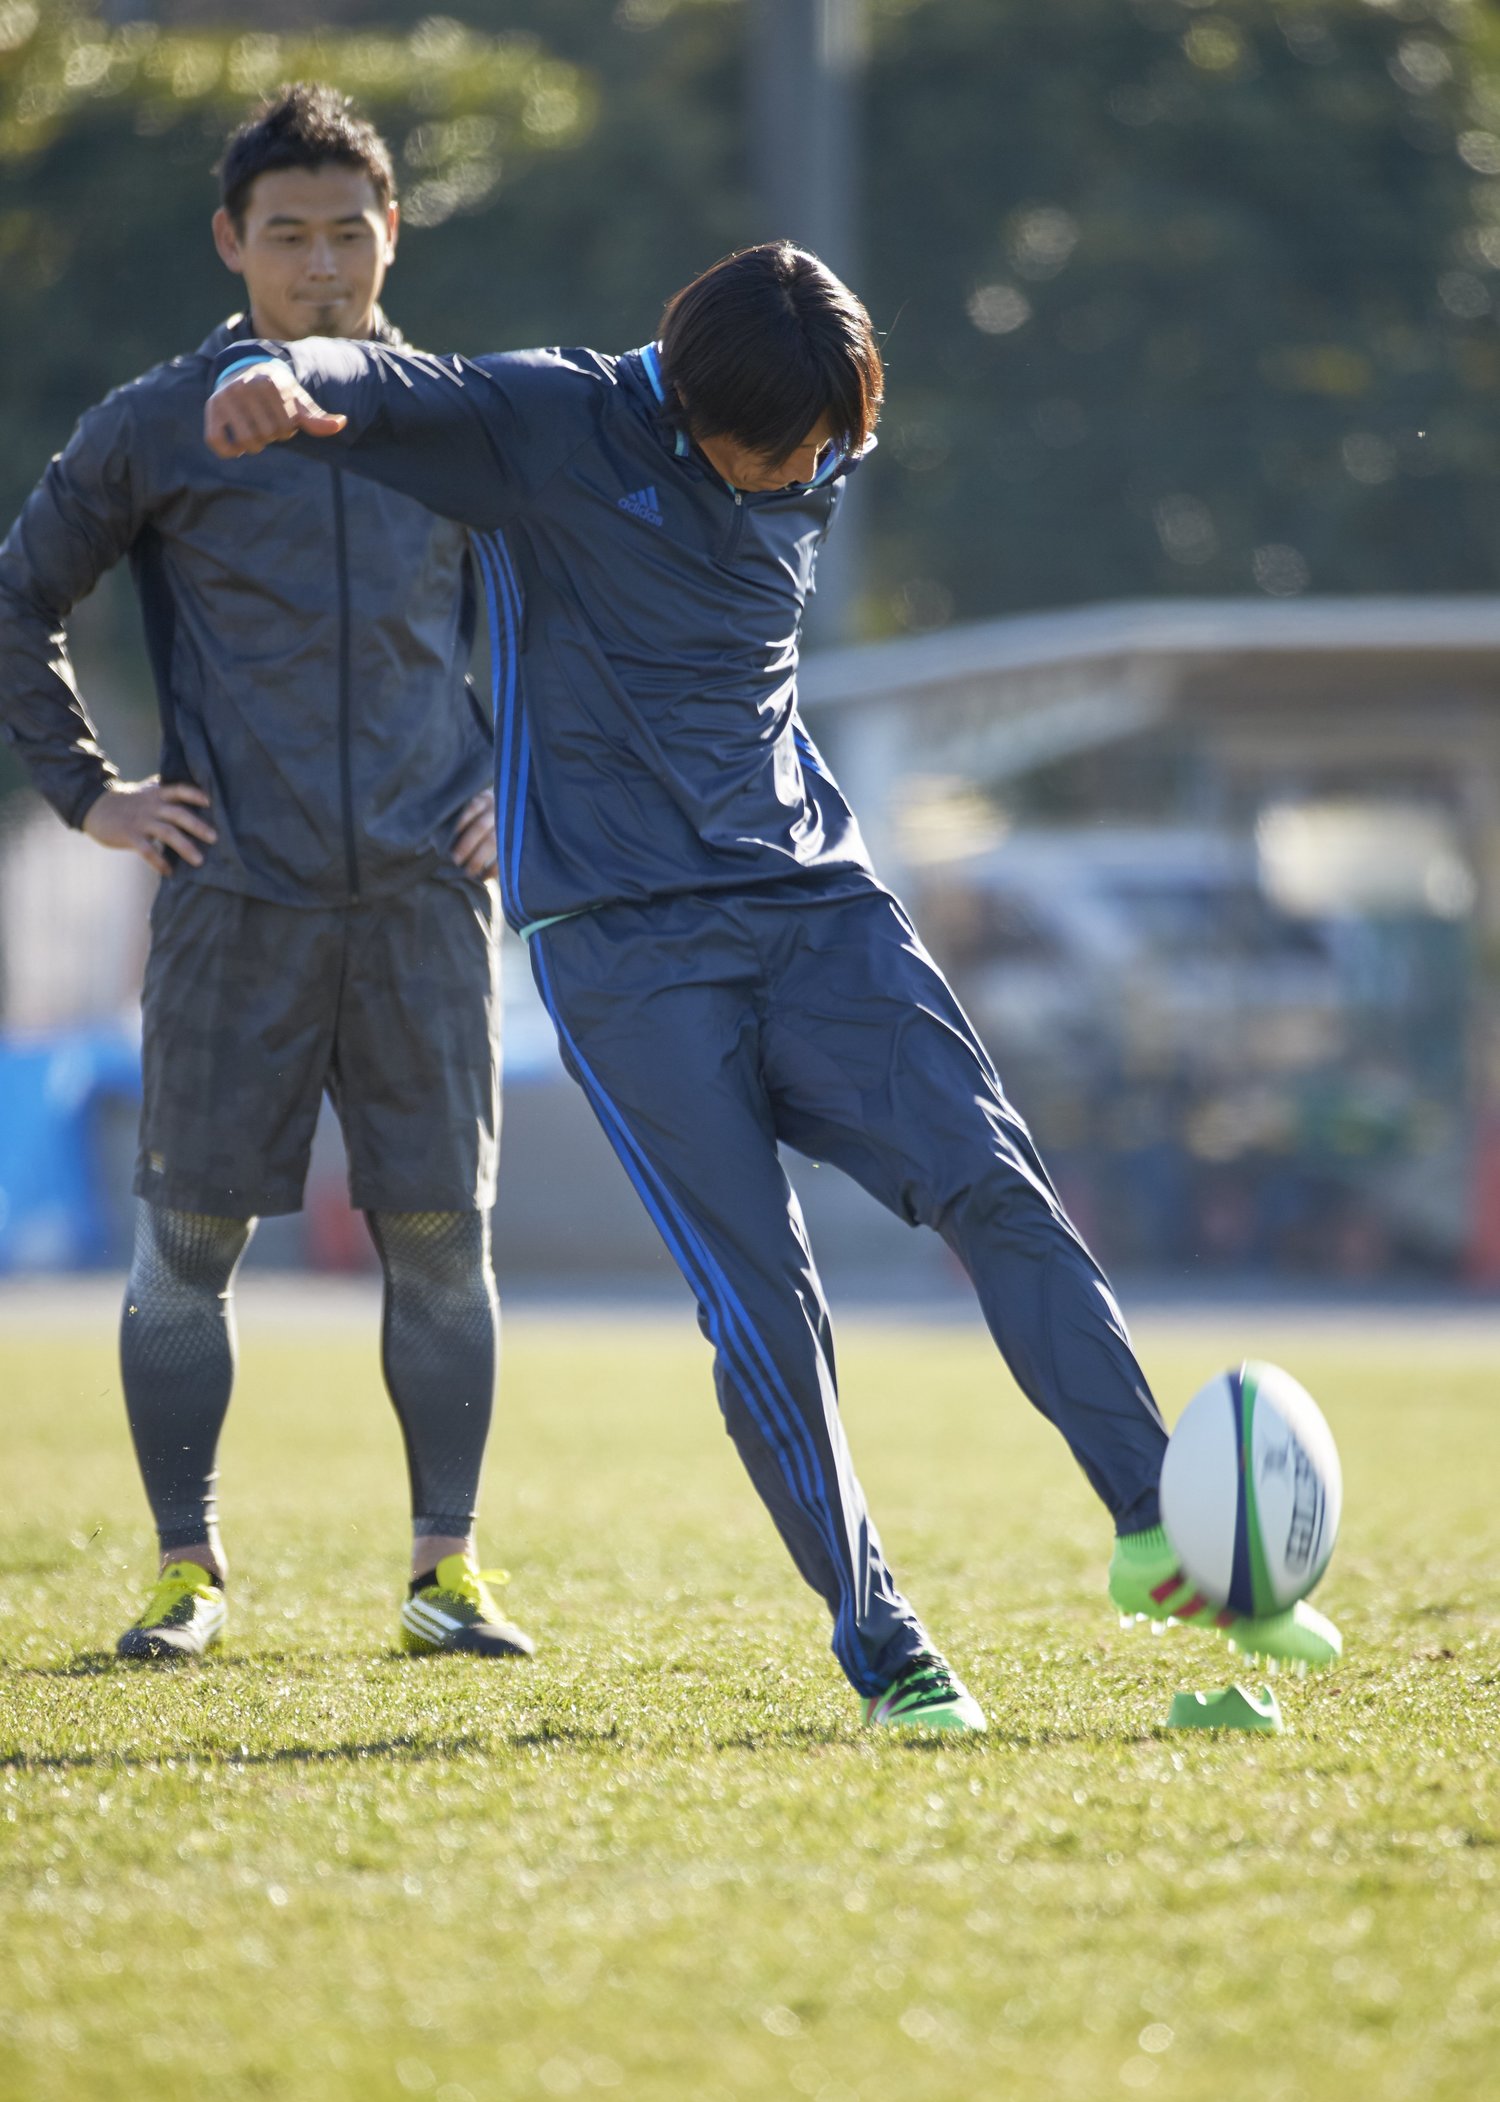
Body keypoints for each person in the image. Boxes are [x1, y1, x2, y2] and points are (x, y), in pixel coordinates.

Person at [200, 241, 1342, 1729]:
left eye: (833, 441)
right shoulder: (555, 426)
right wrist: (266, 371)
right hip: (624, 945)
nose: (811, 466)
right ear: (686, 402)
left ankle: (1159, 1527)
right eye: (781, 446)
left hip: (818, 908)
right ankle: (886, 1645)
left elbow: (805, 438)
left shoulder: (821, 444)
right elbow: (384, 381)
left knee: (995, 1185)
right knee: (765, 1299)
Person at [0, 85, 531, 1664]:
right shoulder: (158, 424)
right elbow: (17, 595)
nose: (320, 264)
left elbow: (583, 617)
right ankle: (185, 1569)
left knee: (443, 1238)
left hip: (429, 897)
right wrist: (90, 793)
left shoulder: (468, 419)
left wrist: (530, 785)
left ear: (394, 232)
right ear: (232, 241)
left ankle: (447, 1572)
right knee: (190, 1245)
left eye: (348, 231)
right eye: (287, 235)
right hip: (237, 898)